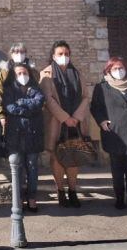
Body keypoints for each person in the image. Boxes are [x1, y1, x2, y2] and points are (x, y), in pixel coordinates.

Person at [90, 56, 127, 211]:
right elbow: (95, 107)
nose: (118, 71)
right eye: (115, 69)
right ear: (109, 71)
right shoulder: (102, 87)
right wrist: (102, 121)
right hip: (114, 134)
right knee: (117, 169)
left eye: (121, 68)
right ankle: (119, 197)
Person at [39, 41, 91, 208]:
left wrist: (75, 117)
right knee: (57, 157)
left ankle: (73, 191)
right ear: (53, 56)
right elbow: (48, 99)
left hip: (76, 123)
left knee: (74, 157)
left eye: (67, 54)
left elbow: (85, 97)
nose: (64, 57)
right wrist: (64, 117)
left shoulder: (77, 74)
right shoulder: (46, 74)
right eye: (60, 54)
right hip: (57, 123)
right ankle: (60, 190)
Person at [3, 61, 45, 213]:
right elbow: (9, 107)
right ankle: (19, 197)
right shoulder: (9, 89)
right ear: (14, 76)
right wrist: (27, 108)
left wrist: (21, 103)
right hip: (15, 134)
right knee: (18, 167)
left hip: (33, 134)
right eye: (19, 73)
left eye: (25, 73)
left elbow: (39, 102)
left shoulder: (35, 88)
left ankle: (32, 197)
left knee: (32, 167)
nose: (22, 76)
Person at [0, 43, 38, 130]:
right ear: (11, 54)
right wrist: (1, 115)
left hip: (31, 115)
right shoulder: (4, 72)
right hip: (10, 114)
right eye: (16, 52)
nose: (19, 54)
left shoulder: (33, 72)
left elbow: (39, 92)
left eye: (22, 52)